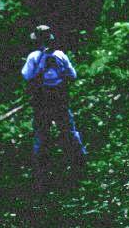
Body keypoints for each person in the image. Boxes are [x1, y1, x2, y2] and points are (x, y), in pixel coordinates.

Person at [21, 25, 86, 185]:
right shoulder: (60, 55)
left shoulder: (33, 57)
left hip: (41, 101)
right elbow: (73, 75)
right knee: (68, 130)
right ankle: (80, 162)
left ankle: (41, 171)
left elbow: (26, 76)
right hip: (59, 99)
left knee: (41, 134)